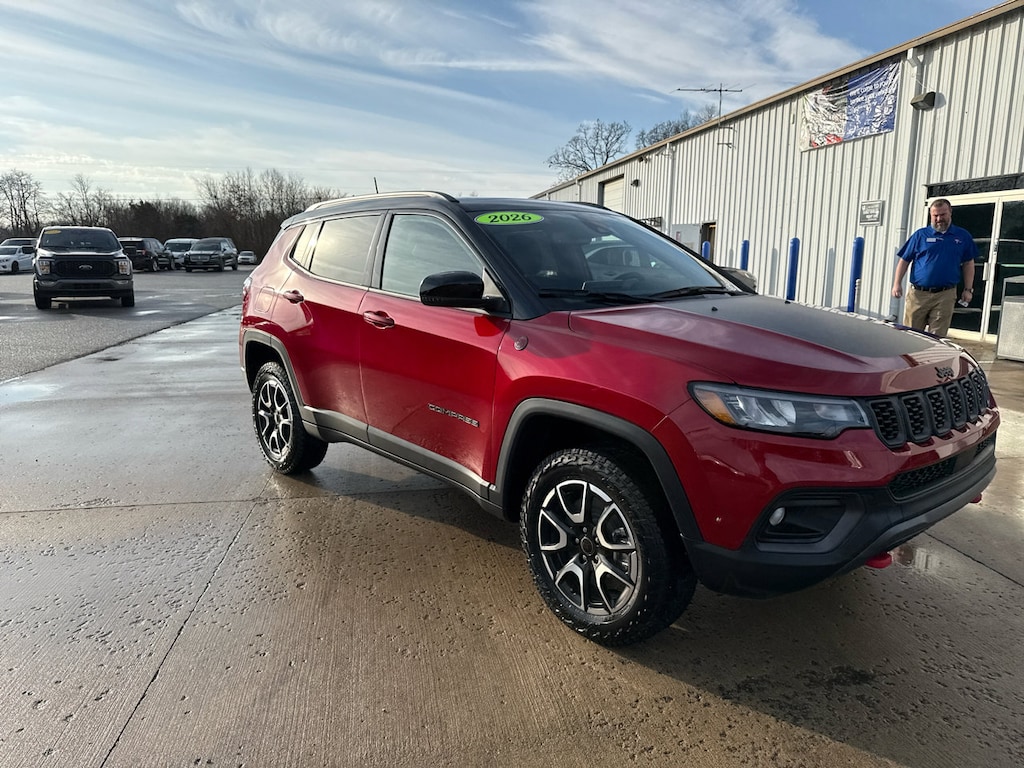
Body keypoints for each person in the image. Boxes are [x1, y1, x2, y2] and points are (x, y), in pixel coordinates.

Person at [891, 198, 976, 337]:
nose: (939, 219)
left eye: (942, 215)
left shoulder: (962, 236)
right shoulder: (920, 235)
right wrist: (896, 284)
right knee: (910, 335)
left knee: (937, 337)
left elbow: (968, 263)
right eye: (935, 215)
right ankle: (910, 359)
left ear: (950, 213)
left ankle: (931, 359)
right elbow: (904, 260)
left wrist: (968, 289)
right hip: (918, 295)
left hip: (945, 295)